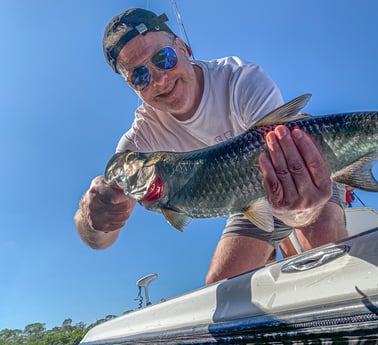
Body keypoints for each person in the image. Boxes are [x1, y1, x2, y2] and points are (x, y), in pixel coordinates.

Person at [74, 8, 347, 284]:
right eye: (140, 76)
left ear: (183, 48)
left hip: (303, 163)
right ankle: (278, 249)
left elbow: (291, 177)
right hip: (246, 200)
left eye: (163, 58)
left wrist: (301, 215)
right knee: (220, 286)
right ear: (132, 87)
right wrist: (93, 215)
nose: (159, 79)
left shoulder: (241, 79)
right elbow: (100, 241)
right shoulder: (139, 143)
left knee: (323, 238)